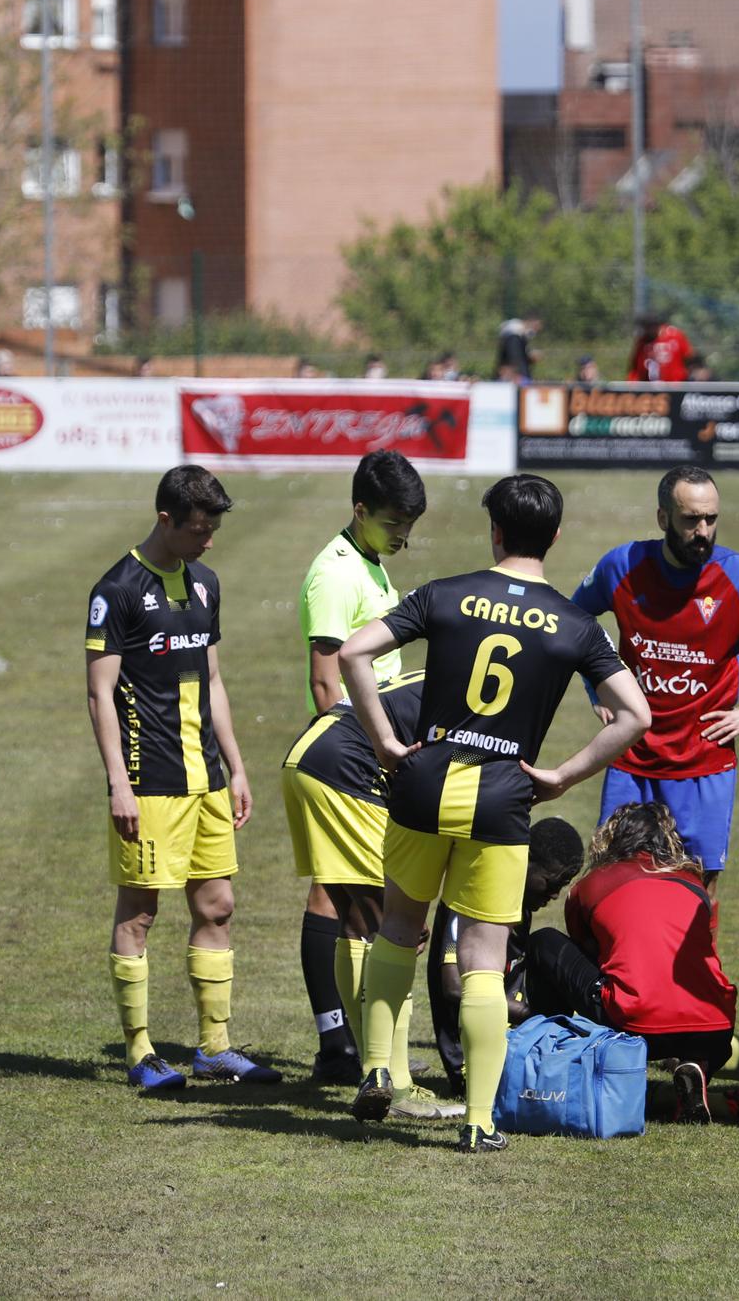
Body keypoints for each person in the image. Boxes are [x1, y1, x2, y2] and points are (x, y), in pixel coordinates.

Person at [337, 473, 651, 1153]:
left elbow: (353, 653)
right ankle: (480, 1119)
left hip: (423, 781)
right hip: (502, 796)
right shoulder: (573, 622)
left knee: (397, 929)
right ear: (556, 537)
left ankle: (377, 1066)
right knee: (483, 960)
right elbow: (637, 714)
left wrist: (387, 743)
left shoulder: (445, 592)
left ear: (495, 531)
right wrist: (564, 775)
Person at [85, 466, 276, 1091]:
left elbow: (212, 681)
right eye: (199, 529)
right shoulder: (115, 589)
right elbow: (99, 693)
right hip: (150, 781)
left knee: (218, 906)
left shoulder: (206, 585)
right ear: (166, 519)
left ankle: (214, 1048)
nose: (209, 541)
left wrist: (238, 766)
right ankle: (141, 1054)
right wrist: (118, 782)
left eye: (214, 529)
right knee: (140, 913)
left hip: (208, 782)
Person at [570, 466, 739, 904]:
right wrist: (597, 685)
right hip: (631, 757)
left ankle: (694, 974)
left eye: (711, 519)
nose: (703, 531)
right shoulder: (622, 566)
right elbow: (573, 619)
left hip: (704, 763)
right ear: (663, 518)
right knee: (610, 882)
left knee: (697, 890)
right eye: (690, 520)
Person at [520, 803, 739, 1123]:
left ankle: (554, 1058)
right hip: (715, 1029)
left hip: (638, 1022)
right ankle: (696, 1071)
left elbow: (585, 957)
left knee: (545, 942)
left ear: (611, 839)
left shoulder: (590, 885)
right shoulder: (695, 884)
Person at [295, 449, 427, 1081]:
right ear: (360, 511)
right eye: (394, 522)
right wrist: (373, 753)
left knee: (339, 893)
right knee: (361, 897)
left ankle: (339, 1044)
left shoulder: (368, 564)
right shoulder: (337, 574)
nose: (403, 535)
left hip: (373, 745)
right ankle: (350, 1046)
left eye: (409, 523)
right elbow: (327, 685)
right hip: (356, 752)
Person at [280, 669, 463, 1120]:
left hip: (308, 755)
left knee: (355, 920)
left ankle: (372, 1068)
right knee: (398, 930)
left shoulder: (448, 671)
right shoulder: (477, 701)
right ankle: (396, 1086)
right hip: (346, 765)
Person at [429, 816, 585, 1083]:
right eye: (551, 883)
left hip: (513, 1036)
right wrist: (532, 1016)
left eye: (562, 886)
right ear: (526, 859)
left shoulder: (519, 902)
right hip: (473, 1060)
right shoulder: (468, 899)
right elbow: (454, 987)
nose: (556, 895)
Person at [627, 315, 693, 383]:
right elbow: (635, 368)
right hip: (651, 388)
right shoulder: (642, 343)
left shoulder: (674, 335)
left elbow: (689, 357)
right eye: (646, 327)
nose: (649, 330)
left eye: (651, 326)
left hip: (676, 385)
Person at [496, 314, 542, 383]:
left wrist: (529, 358)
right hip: (515, 378)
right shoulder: (514, 337)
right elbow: (515, 358)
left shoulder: (518, 338)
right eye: (535, 327)